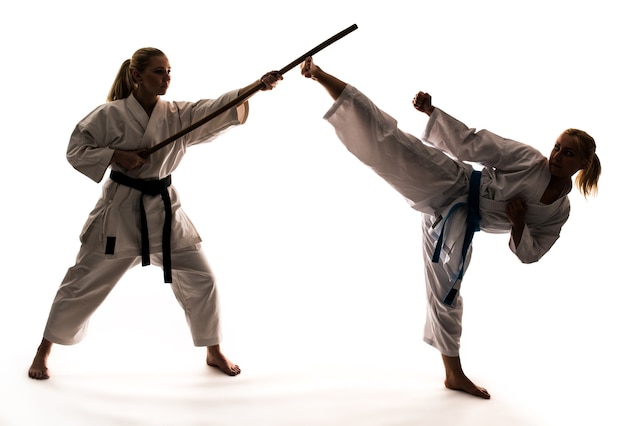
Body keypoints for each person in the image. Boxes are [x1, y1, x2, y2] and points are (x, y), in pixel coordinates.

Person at [300, 56, 600, 399]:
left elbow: (532, 253)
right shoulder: (531, 160)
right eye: (557, 147)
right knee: (389, 141)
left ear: (583, 164)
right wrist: (432, 113)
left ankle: (453, 375)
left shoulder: (558, 212)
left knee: (447, 294)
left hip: (456, 224)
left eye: (568, 154)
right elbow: (477, 143)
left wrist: (518, 226)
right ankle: (320, 75)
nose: (557, 156)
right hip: (451, 183)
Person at [28, 47, 282, 380]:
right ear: (136, 75)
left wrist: (256, 86)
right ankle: (43, 351)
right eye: (158, 72)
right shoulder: (109, 115)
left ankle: (213, 350)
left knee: (202, 278)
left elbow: (216, 107)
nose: (166, 78)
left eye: (169, 71)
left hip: (165, 213)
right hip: (119, 214)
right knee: (81, 282)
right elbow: (77, 149)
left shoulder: (177, 114)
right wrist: (116, 155)